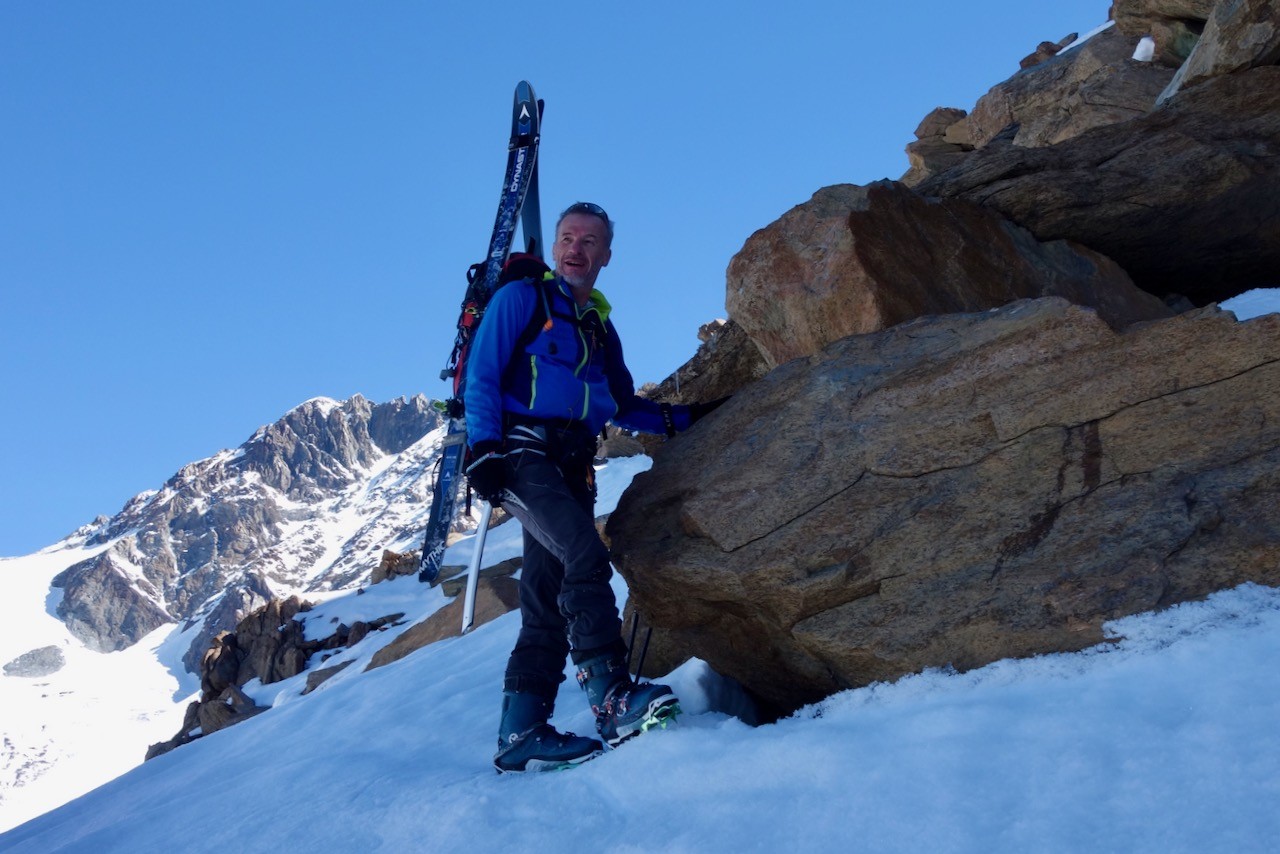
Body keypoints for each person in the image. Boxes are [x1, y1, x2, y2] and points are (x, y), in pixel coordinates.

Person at [463, 201, 722, 773]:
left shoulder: (599, 328)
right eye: (566, 238)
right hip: (521, 455)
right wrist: (483, 450)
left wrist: (688, 419)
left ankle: (519, 732)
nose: (575, 249)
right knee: (584, 554)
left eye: (588, 241)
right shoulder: (520, 299)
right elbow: (482, 374)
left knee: (545, 599)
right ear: (555, 249)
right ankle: (612, 698)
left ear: (606, 255)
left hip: (574, 467)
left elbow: (624, 405)